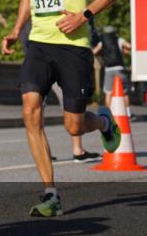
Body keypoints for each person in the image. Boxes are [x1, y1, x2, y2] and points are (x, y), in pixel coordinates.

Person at [2, 0, 126, 217]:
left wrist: (83, 15)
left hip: (73, 47)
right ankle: (50, 193)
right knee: (30, 109)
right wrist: (17, 29)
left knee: (74, 127)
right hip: (39, 44)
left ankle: (102, 122)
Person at [18, 20, 100, 163]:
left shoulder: (45, 15)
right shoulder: (32, 18)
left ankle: (78, 148)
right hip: (41, 70)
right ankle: (50, 153)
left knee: (73, 118)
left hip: (61, 63)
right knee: (34, 113)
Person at [94, 25, 131, 110]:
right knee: (125, 93)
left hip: (108, 70)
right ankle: (128, 113)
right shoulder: (119, 40)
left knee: (108, 93)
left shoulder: (102, 42)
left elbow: (94, 51)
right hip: (120, 69)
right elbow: (129, 46)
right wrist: (125, 51)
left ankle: (109, 114)